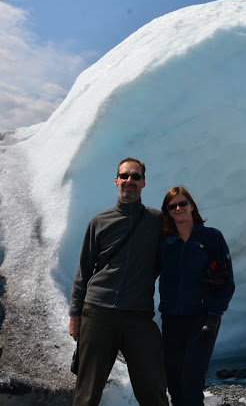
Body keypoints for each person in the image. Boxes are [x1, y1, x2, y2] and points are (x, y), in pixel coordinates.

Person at [68, 157, 168, 406]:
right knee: (87, 393)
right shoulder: (99, 222)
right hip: (98, 312)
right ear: (116, 181)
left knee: (153, 390)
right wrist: (75, 315)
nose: (129, 181)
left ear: (144, 182)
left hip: (138, 314)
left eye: (135, 176)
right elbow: (83, 270)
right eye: (124, 176)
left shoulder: (157, 221)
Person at [159, 185, 235, 406]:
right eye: (173, 206)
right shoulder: (165, 242)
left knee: (191, 381)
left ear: (192, 205)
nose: (179, 208)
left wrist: (213, 317)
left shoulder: (212, 238)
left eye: (183, 203)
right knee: (173, 382)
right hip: (171, 319)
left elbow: (227, 282)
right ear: (168, 212)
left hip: (202, 318)